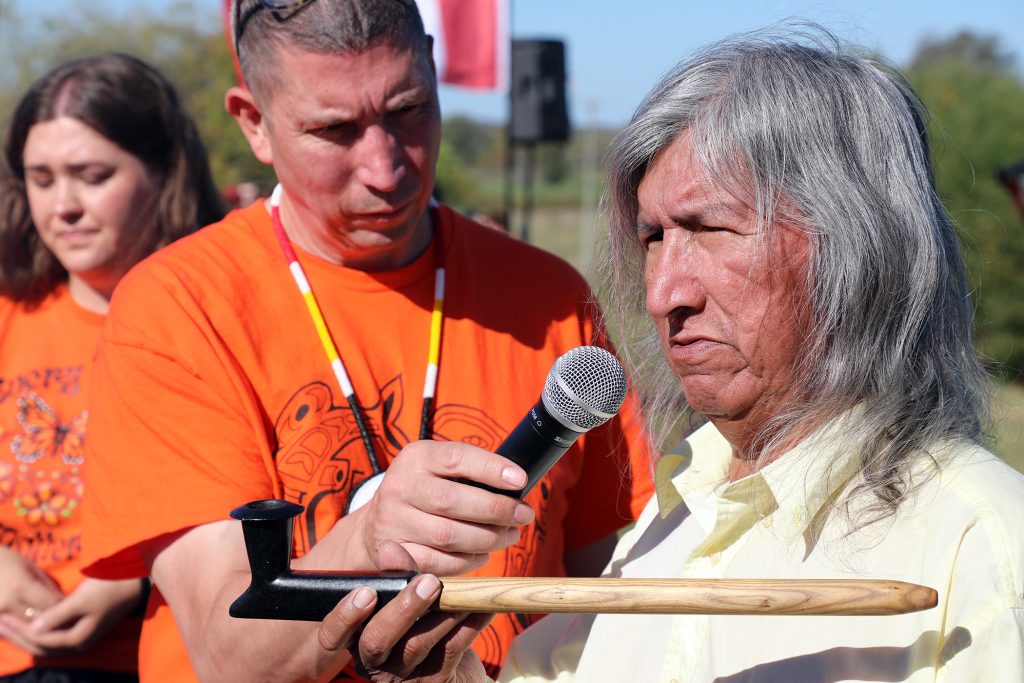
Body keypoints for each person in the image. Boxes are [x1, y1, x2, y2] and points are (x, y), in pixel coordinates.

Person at [317, 27, 1024, 683]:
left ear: (855, 248)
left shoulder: (981, 540)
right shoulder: (677, 514)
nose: (662, 292)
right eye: (653, 236)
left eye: (709, 227)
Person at [78, 1, 654, 681]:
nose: (386, 167)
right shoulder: (177, 308)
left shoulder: (551, 299)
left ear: (435, 74)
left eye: (408, 110)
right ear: (253, 124)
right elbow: (226, 655)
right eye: (335, 129)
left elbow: (612, 597)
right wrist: (369, 536)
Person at [0, 54, 225, 682]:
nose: (63, 205)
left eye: (92, 175)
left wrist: (134, 574)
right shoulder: (10, 313)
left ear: (163, 174)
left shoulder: (212, 315)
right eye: (40, 179)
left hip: (155, 657)